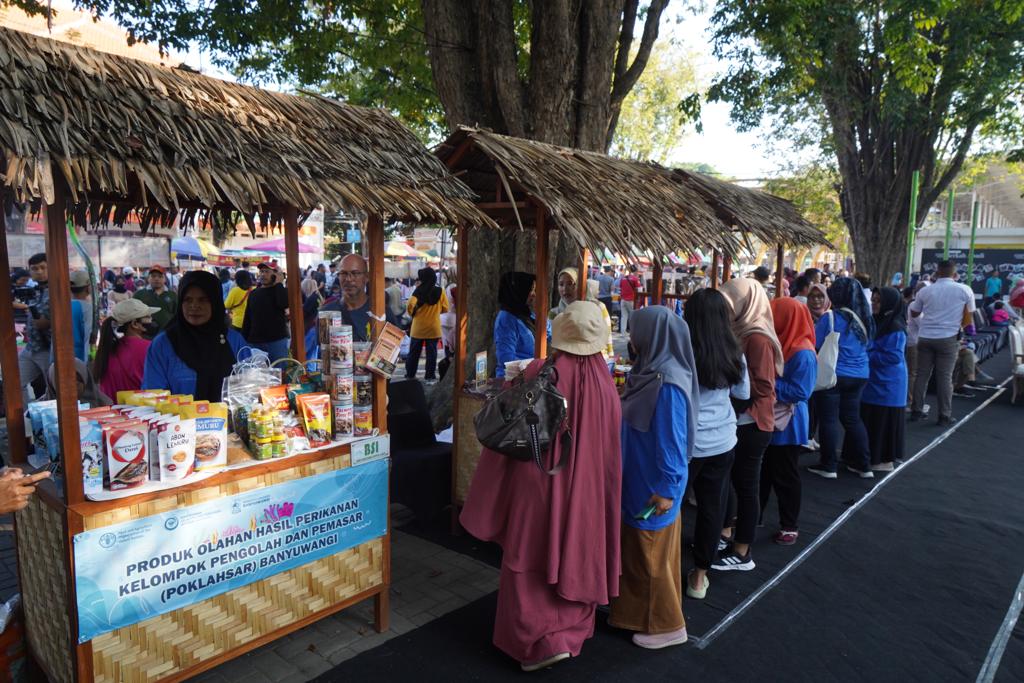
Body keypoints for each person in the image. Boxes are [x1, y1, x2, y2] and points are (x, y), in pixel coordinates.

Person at [460, 302, 621, 671]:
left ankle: (533, 641)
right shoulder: (605, 383)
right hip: (586, 492)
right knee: (577, 548)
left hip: (538, 482)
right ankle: (568, 632)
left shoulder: (539, 371)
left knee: (528, 553)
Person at [610, 306, 697, 649]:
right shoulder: (651, 372)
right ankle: (636, 616)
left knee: (650, 556)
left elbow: (673, 443)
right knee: (641, 553)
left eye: (635, 331)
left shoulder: (668, 382)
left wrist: (666, 490)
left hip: (653, 487)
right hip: (639, 477)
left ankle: (667, 626)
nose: (631, 338)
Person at [682, 289, 748, 600]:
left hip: (687, 443)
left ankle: (665, 568)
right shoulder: (734, 351)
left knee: (672, 506)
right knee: (712, 509)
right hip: (722, 441)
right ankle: (699, 578)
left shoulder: (682, 350)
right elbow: (744, 394)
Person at [713, 278, 782, 571]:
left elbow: (765, 386)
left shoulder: (756, 337)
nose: (727, 312)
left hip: (753, 422)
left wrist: (733, 387)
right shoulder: (743, 332)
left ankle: (743, 552)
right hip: (745, 419)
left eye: (731, 305)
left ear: (745, 304)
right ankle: (731, 537)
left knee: (747, 486)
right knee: (738, 482)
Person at [759, 298, 818, 545]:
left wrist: (767, 382)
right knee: (763, 472)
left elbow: (800, 391)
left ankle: (789, 525)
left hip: (789, 422)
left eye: (775, 315)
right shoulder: (779, 343)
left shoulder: (803, 352)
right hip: (773, 416)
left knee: (785, 474)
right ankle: (754, 516)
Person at [807, 277, 875, 479]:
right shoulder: (866, 319)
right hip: (860, 374)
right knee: (852, 418)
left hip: (834, 375)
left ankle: (829, 465)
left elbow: (814, 342)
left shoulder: (830, 318)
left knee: (829, 419)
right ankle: (864, 465)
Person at [143, 270, 247, 400]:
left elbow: (248, 389)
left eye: (203, 300)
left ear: (215, 303)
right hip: (177, 419)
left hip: (228, 419)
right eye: (187, 299)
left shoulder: (234, 341)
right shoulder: (163, 344)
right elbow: (153, 395)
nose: (194, 306)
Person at [909, 260, 976, 426]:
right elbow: (970, 316)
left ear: (937, 273)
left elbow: (915, 311)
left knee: (921, 375)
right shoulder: (964, 290)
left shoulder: (925, 291)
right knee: (944, 377)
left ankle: (916, 411)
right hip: (948, 338)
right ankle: (944, 415)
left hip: (925, 337)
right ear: (955, 274)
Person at [861, 287, 908, 472]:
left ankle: (881, 460)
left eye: (878, 300)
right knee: (871, 420)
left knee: (881, 422)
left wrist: (867, 354)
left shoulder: (895, 326)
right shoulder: (879, 322)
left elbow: (893, 357)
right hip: (875, 382)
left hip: (888, 384)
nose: (874, 303)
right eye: (873, 299)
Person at [93, 298, 160, 398]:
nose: (151, 320)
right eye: (148, 317)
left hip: (112, 411)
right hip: (141, 410)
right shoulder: (150, 348)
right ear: (135, 324)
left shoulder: (108, 348)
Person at [405, 267, 448, 381]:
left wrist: (413, 314)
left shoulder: (418, 291)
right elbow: (445, 308)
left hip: (418, 328)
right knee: (432, 354)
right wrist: (436, 312)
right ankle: (429, 375)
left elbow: (410, 305)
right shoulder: (441, 292)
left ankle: (410, 374)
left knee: (414, 353)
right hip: (433, 327)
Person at [18, 253, 51, 401]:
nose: (39, 271)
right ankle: (26, 416)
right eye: (34, 268)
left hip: (49, 349)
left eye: (43, 267)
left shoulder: (58, 290)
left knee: (53, 389)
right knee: (13, 381)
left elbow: (46, 322)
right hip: (31, 347)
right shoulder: (35, 290)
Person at [242, 263, 290, 362]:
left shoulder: (280, 290)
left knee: (279, 374)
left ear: (275, 274)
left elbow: (283, 303)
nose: (263, 274)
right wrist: (244, 339)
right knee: (257, 375)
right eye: (261, 271)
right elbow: (248, 317)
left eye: (267, 271)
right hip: (255, 342)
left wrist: (279, 283)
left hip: (276, 341)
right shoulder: (254, 293)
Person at [320, 254, 373, 342]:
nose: (348, 279)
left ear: (366, 277)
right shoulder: (326, 314)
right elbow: (324, 351)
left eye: (355, 273)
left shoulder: (380, 312)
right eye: (343, 273)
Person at [494, 272, 537, 378]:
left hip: (531, 376)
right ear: (519, 291)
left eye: (534, 290)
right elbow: (506, 358)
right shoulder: (506, 319)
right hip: (514, 380)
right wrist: (535, 367)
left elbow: (549, 331)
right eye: (530, 290)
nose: (533, 294)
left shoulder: (528, 314)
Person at [133, 265, 176, 333]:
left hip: (168, 334)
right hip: (144, 335)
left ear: (165, 279)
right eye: (153, 276)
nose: (156, 279)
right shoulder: (139, 294)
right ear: (148, 278)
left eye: (160, 276)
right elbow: (133, 314)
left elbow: (177, 315)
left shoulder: (172, 295)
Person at [69, 270, 93, 364]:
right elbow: (88, 337)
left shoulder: (62, 305)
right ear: (88, 288)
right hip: (79, 357)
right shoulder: (87, 308)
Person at [619, 265, 640, 333]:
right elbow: (638, 290)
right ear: (636, 271)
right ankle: (632, 331)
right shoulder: (635, 279)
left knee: (624, 316)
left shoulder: (623, 278)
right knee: (632, 316)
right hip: (631, 300)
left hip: (623, 299)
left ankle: (623, 332)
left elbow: (620, 287)